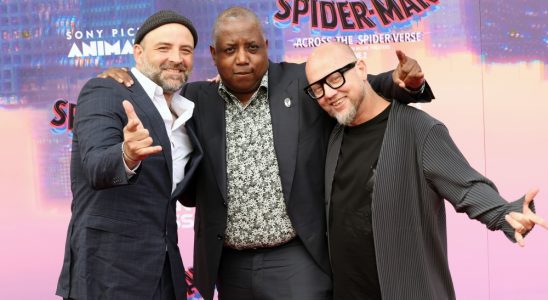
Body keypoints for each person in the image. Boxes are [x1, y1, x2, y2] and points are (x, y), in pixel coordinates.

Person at [99, 7, 434, 300]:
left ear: (267, 48)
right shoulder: (195, 99)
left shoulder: (300, 83)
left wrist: (401, 81)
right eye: (230, 50)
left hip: (296, 258)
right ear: (215, 55)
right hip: (228, 265)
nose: (242, 58)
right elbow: (151, 95)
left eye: (252, 47)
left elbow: (354, 86)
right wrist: (119, 80)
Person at [304, 42, 548, 300]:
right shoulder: (334, 136)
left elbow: (466, 186)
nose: (329, 93)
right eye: (318, 88)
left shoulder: (419, 130)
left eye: (335, 78)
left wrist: (504, 213)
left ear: (362, 69)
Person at [56, 10, 202, 300]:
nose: (176, 58)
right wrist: (127, 154)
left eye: (185, 50)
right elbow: (97, 166)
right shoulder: (105, 90)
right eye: (163, 48)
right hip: (107, 275)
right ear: (138, 52)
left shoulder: (189, 108)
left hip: (165, 274)